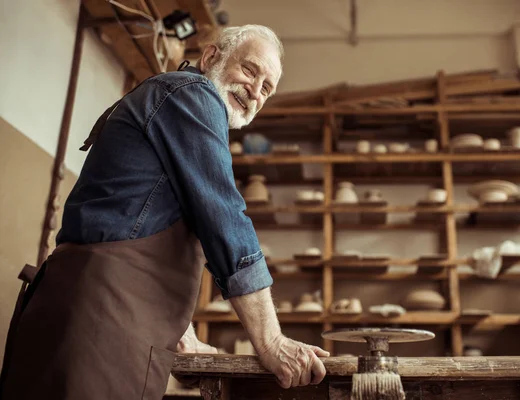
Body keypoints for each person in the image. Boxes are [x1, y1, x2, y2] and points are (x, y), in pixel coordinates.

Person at [0, 24, 328, 400]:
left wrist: (182, 334)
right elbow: (225, 220)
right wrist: (270, 341)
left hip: (91, 314)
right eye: (250, 71)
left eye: (267, 88)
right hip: (101, 322)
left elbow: (138, 218)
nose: (255, 91)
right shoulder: (193, 95)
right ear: (210, 58)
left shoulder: (173, 100)